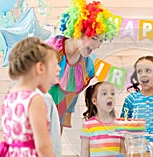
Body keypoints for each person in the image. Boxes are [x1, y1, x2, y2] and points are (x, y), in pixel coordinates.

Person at [0, 37, 60, 157]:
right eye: (55, 66)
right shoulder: (35, 99)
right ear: (40, 68)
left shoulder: (10, 96)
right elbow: (43, 146)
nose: (58, 71)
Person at [47, 0, 116, 131]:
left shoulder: (87, 67)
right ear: (78, 30)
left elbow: (69, 97)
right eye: (94, 38)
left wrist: (64, 117)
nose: (98, 46)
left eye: (101, 40)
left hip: (56, 117)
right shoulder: (49, 50)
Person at [120, 56, 153, 145]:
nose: (143, 74)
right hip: (137, 149)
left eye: (148, 70)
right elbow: (122, 126)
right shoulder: (130, 99)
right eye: (139, 71)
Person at [80, 81, 125, 157]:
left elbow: (122, 149)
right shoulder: (88, 125)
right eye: (104, 93)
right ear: (94, 101)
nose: (110, 96)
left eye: (112, 94)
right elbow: (84, 151)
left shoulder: (119, 124)